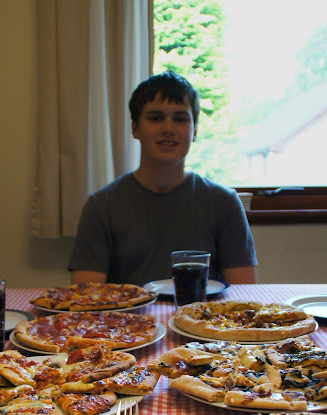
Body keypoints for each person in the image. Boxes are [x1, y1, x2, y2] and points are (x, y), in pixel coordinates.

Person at [69, 71, 257, 285]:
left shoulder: (224, 203)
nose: (168, 129)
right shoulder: (101, 206)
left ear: (195, 130)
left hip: (203, 308)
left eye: (180, 119)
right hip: (125, 309)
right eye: (156, 118)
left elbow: (245, 293)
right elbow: (85, 297)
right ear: (135, 129)